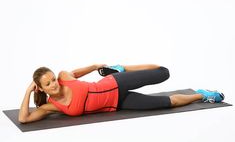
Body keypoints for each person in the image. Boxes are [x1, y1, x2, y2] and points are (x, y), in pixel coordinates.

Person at [18, 64, 224, 123]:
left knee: (164, 73)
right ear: (41, 88)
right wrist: (28, 90)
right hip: (119, 103)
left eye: (52, 79)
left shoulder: (64, 77)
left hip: (114, 82)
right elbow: (24, 118)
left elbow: (76, 72)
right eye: (48, 83)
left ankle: (121, 68)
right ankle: (201, 94)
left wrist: (96, 66)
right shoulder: (52, 106)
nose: (54, 84)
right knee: (166, 103)